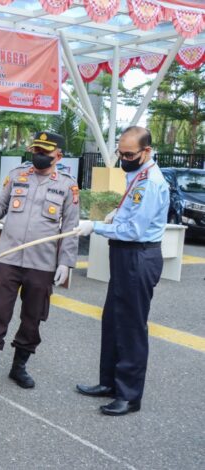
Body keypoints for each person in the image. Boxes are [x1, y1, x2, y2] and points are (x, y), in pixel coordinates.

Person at [0, 131, 79, 393]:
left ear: (58, 155)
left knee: (32, 317)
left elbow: (71, 227)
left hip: (42, 263)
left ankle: (19, 366)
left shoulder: (68, 185)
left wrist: (65, 263)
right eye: (36, 150)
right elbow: (1, 203)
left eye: (44, 152)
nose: (38, 156)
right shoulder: (18, 174)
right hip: (9, 257)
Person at [76, 127, 169, 416]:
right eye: (120, 153)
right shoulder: (137, 175)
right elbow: (130, 216)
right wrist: (117, 213)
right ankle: (109, 383)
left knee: (130, 326)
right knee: (113, 320)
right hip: (125, 255)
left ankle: (129, 395)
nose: (123, 158)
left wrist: (96, 226)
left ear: (147, 152)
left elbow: (134, 230)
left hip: (138, 256)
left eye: (129, 154)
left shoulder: (150, 183)